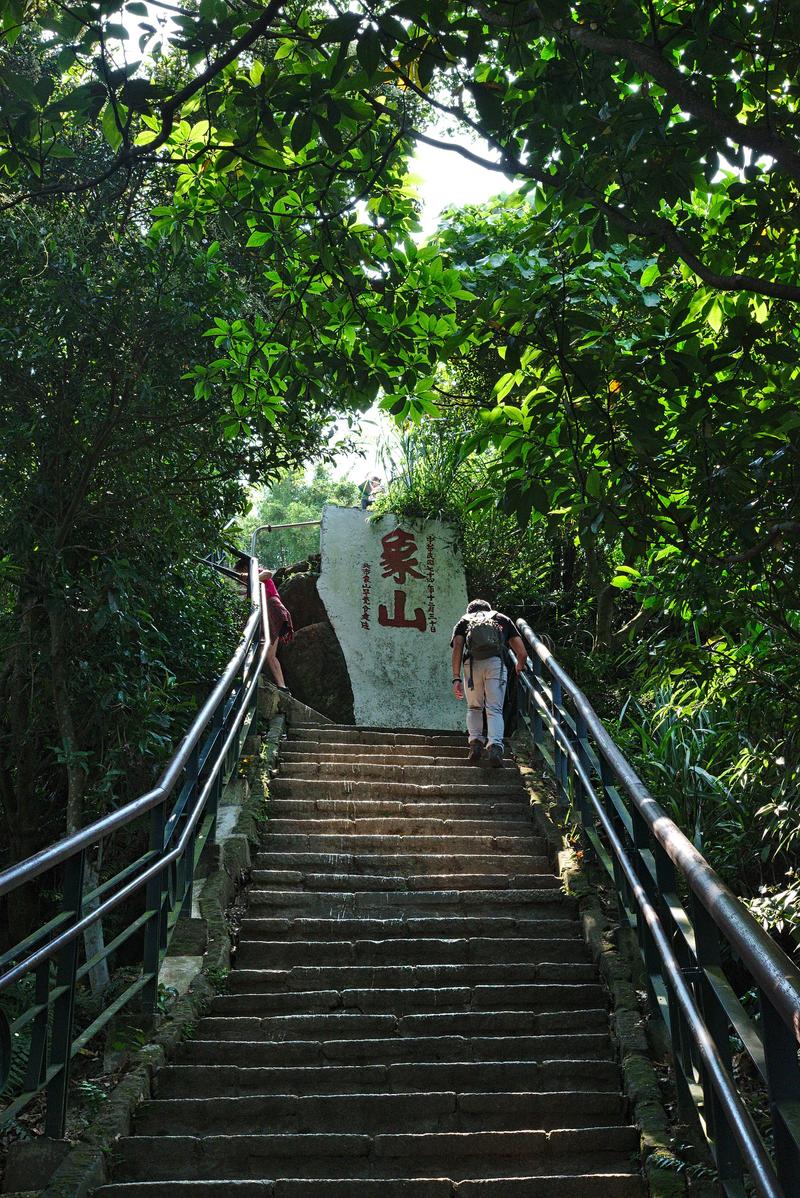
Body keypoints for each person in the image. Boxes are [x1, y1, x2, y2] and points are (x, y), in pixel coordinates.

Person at [450, 599, 528, 767]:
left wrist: (456, 677)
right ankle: (494, 747)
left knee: (474, 707)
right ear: (489, 609)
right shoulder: (502, 619)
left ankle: (476, 744)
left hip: (472, 665)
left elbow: (457, 646)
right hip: (495, 664)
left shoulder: (465, 620)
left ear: (470, 610)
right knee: (494, 708)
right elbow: (521, 652)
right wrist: (519, 665)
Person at [259, 568, 293, 692]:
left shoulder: (256, 571)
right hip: (274, 612)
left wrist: (252, 578)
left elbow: (268, 573)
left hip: (273, 611)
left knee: (268, 654)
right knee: (269, 654)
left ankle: (282, 686)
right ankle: (282, 686)